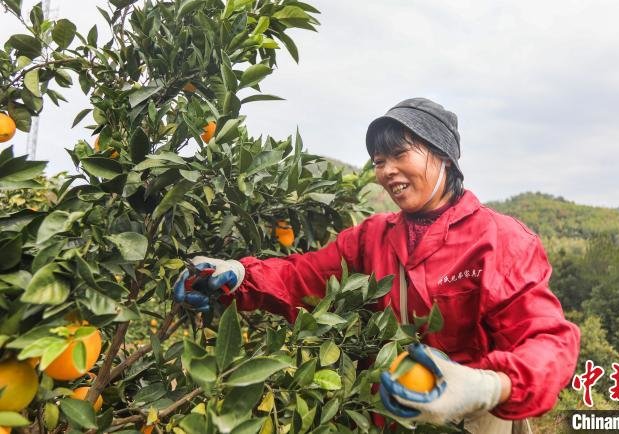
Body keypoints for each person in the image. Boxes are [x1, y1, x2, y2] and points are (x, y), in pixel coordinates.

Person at [174, 98, 580, 433]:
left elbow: (550, 343)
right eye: (378, 160)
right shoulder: (372, 238)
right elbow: (303, 277)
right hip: (386, 418)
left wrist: (486, 386)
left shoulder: (500, 241)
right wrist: (241, 276)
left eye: (399, 154)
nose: (386, 170)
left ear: (443, 158)